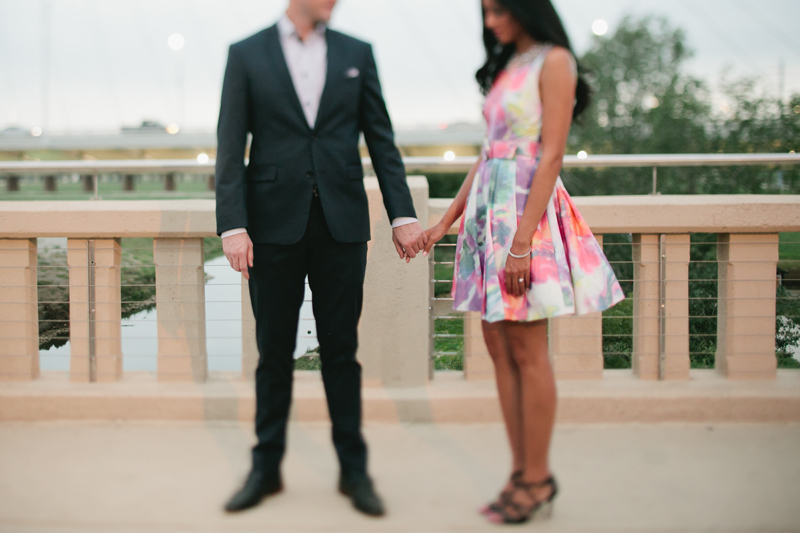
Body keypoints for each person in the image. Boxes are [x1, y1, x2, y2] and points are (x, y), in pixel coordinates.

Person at [215, 0, 428, 517]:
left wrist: (402, 215)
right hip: (269, 229)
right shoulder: (246, 54)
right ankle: (265, 469)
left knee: (341, 352)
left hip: (343, 226)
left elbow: (381, 137)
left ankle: (353, 472)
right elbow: (230, 142)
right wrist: (233, 224)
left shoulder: (358, 52)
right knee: (273, 355)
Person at [423, 0, 625, 524]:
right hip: (486, 213)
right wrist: (445, 223)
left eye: (497, 10)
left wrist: (523, 243)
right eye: (485, 12)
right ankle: (520, 471)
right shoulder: (509, 65)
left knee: (529, 347)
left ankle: (538, 478)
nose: (490, 22)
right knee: (497, 343)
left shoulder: (555, 61)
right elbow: (489, 152)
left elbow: (551, 153)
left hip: (521, 216)